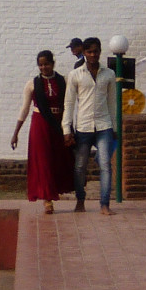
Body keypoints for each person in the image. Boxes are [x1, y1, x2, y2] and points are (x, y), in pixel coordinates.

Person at [61, 35, 121, 214]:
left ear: (100, 52)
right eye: (90, 52)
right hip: (83, 127)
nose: (93, 55)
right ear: (84, 53)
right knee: (80, 167)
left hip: (104, 125)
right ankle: (80, 200)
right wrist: (66, 129)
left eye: (96, 51)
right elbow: (69, 103)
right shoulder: (75, 75)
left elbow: (112, 103)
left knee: (105, 165)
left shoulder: (109, 74)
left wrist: (115, 128)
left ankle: (104, 204)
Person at [10, 48, 72, 213]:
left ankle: (58, 190)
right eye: (41, 65)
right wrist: (16, 132)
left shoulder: (63, 81)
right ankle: (47, 199)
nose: (44, 67)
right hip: (40, 124)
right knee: (43, 160)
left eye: (47, 64)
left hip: (59, 124)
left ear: (53, 63)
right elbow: (24, 108)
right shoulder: (32, 84)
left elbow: (70, 104)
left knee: (57, 159)